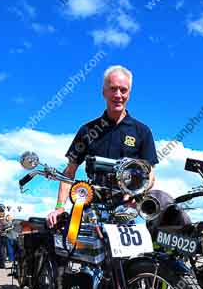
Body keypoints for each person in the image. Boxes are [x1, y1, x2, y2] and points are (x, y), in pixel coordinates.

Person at [46, 65, 159, 228]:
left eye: (123, 90)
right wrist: (59, 208)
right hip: (88, 208)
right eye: (113, 89)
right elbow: (69, 172)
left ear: (129, 93)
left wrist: (136, 192)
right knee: (69, 247)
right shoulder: (87, 130)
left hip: (129, 210)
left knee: (138, 253)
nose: (118, 95)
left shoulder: (142, 131)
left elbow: (150, 175)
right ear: (104, 92)